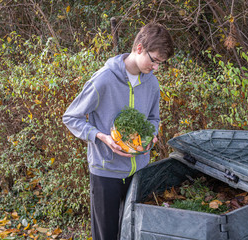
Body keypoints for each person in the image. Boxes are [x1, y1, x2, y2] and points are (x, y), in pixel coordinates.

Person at [62, 22, 174, 240]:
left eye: (162, 63)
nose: (157, 68)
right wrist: (101, 137)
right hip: (106, 173)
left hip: (139, 171)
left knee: (133, 234)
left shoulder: (152, 83)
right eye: (155, 61)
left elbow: (153, 118)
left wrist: (151, 134)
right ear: (139, 48)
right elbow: (71, 117)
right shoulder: (103, 79)